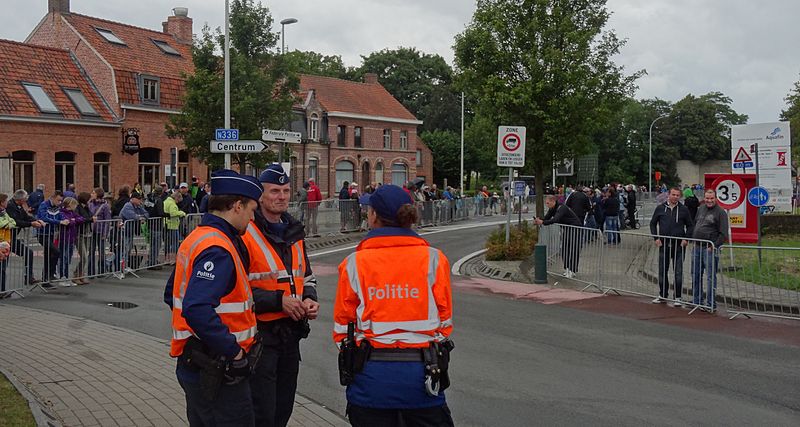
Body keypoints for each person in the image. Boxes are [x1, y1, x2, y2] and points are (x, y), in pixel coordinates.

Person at [333, 184, 454, 427]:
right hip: (423, 378)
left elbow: (342, 329)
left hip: (371, 380)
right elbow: (444, 323)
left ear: (374, 216)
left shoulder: (355, 263)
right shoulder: (434, 259)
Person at [163, 169, 263, 426]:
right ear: (237, 206)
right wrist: (234, 352)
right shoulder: (218, 248)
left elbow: (171, 293)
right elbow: (196, 307)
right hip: (218, 368)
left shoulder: (198, 237)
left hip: (197, 361)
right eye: (252, 210)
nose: (253, 218)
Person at [242, 164, 320, 426]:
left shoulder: (294, 232)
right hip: (261, 337)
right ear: (261, 196)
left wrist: (310, 298)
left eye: (286, 191)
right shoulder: (246, 233)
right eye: (275, 191)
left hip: (290, 334)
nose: (282, 196)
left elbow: (306, 276)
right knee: (262, 411)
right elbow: (236, 289)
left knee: (283, 409)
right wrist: (279, 301)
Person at [649, 187, 694, 306]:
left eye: (677, 195)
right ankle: (663, 294)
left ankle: (678, 297)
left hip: (679, 246)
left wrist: (686, 239)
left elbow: (690, 226)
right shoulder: (660, 208)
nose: (675, 197)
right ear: (668, 195)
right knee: (663, 271)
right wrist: (656, 238)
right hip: (664, 245)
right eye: (673, 194)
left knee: (678, 272)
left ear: (680, 197)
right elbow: (653, 223)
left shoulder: (684, 209)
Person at [691, 189, 728, 311]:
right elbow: (696, 223)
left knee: (710, 277)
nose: (709, 200)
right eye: (707, 198)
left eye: (711, 198)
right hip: (696, 247)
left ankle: (711, 303)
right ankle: (697, 301)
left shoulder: (721, 213)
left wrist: (714, 246)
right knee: (695, 274)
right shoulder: (701, 208)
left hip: (709, 249)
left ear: (716, 198)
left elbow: (723, 234)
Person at [535, 195, 584, 278]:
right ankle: (567, 268)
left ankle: (572, 270)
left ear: (553, 201)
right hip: (567, 229)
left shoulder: (562, 208)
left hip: (575, 229)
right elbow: (547, 218)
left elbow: (556, 219)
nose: (547, 205)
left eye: (548, 203)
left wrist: (543, 222)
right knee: (564, 249)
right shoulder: (552, 209)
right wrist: (539, 220)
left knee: (573, 249)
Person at [7, 190, 45, 285]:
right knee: (4, 261)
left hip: (13, 238)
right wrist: (31, 224)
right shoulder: (10, 206)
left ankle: (28, 277)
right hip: (7, 237)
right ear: (20, 199)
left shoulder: (19, 206)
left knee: (28, 253)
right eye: (25, 198)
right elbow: (16, 221)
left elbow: (25, 216)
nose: (26, 200)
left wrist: (37, 220)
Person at [37, 191, 68, 283]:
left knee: (49, 255)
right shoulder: (44, 205)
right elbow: (44, 218)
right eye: (58, 200)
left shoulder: (57, 207)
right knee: (56, 252)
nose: (59, 202)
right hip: (43, 234)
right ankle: (49, 275)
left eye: (61, 201)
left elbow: (60, 215)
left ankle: (46, 278)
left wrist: (64, 220)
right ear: (53, 198)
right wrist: (59, 222)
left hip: (51, 234)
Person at [119, 193, 149, 270]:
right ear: (133, 199)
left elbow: (146, 214)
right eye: (138, 199)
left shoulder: (138, 206)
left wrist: (140, 217)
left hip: (130, 231)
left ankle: (125, 266)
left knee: (128, 249)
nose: (140, 200)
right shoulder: (128, 206)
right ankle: (121, 267)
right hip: (124, 231)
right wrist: (140, 217)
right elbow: (132, 216)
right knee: (124, 249)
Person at [87, 188, 112, 276]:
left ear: (98, 194)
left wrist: (105, 233)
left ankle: (101, 271)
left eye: (93, 193)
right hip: (91, 231)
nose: (91, 194)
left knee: (101, 252)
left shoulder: (105, 206)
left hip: (100, 231)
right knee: (91, 252)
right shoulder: (90, 204)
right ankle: (91, 272)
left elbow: (107, 220)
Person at [72, 192, 94, 284]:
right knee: (84, 256)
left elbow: (90, 215)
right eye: (89, 198)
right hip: (79, 234)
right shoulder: (77, 208)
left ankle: (81, 275)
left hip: (87, 234)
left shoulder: (86, 207)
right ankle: (76, 275)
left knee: (85, 256)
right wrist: (90, 219)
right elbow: (80, 219)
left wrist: (90, 218)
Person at [164, 191, 187, 258]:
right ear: (176, 198)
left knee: (168, 243)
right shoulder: (172, 204)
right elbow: (173, 213)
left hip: (167, 224)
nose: (178, 202)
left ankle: (167, 258)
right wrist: (182, 213)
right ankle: (173, 258)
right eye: (178, 200)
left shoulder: (166, 201)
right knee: (175, 243)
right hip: (172, 225)